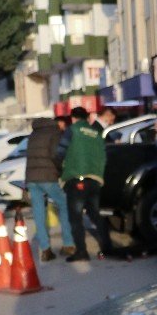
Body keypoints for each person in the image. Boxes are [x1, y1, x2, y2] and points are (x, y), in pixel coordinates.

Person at [57, 106, 113, 261]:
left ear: (73, 118)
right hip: (95, 180)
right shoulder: (96, 133)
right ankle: (108, 247)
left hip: (76, 179)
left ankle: (81, 251)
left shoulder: (72, 130)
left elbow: (60, 152)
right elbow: (104, 156)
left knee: (75, 218)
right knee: (95, 214)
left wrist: (60, 169)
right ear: (87, 118)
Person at [25, 117, 76, 262]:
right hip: (48, 176)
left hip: (32, 178)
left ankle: (45, 249)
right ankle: (68, 244)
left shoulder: (33, 135)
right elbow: (57, 155)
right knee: (64, 205)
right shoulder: (54, 133)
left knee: (39, 212)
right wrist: (61, 172)